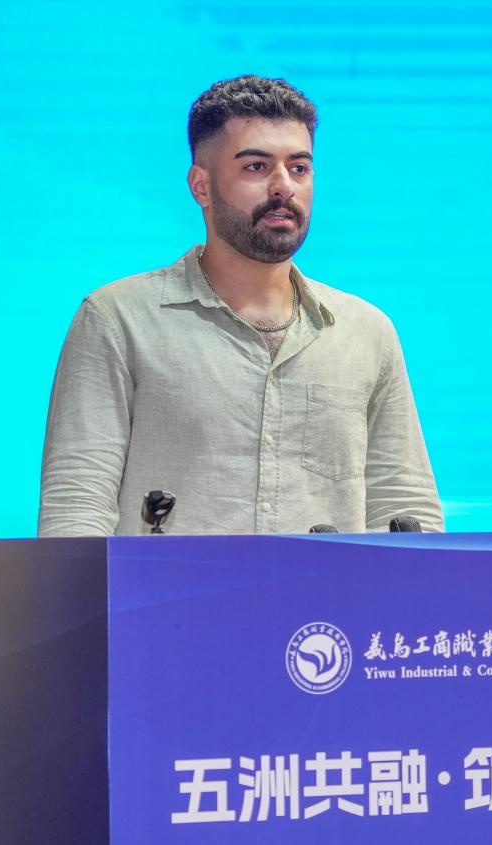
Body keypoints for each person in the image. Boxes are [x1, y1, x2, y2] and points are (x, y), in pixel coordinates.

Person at [38, 75, 441, 536]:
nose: (283, 186)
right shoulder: (120, 320)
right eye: (256, 166)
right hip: (169, 587)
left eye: (299, 168)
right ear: (201, 186)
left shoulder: (365, 332)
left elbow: (405, 507)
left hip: (326, 589)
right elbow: (76, 507)